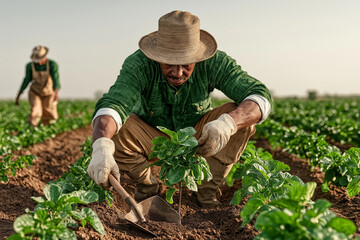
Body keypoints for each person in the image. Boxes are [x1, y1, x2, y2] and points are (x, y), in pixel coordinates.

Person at [87, 10, 273, 208]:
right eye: (169, 64)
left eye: (186, 64)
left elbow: (259, 95)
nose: (177, 73)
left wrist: (228, 124)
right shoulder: (139, 64)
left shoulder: (214, 62)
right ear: (157, 56)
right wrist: (101, 147)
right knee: (114, 128)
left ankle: (206, 193)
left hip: (199, 138)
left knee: (240, 118)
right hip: (154, 140)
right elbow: (113, 105)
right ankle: (148, 187)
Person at [15, 45, 60, 126]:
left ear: (44, 56)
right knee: (35, 111)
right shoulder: (30, 66)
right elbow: (26, 80)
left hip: (49, 92)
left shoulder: (52, 64)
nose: (38, 62)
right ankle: (32, 128)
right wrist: (19, 94)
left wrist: (56, 93)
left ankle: (48, 129)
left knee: (49, 112)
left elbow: (55, 79)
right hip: (35, 92)